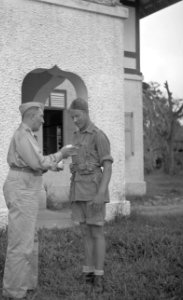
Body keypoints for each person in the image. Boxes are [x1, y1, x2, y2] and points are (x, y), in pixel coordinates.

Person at [2, 101, 76, 299]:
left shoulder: (27, 136)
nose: (44, 120)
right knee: (21, 242)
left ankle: (26, 285)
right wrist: (61, 154)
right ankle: (15, 292)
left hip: (27, 185)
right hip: (22, 186)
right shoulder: (23, 136)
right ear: (31, 116)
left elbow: (38, 163)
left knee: (29, 239)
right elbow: (37, 163)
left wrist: (51, 164)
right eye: (41, 116)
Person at [68, 97, 113, 294]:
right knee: (85, 232)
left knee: (97, 232)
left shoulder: (98, 135)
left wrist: (101, 194)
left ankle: (99, 276)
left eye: (77, 116)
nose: (75, 120)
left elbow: (108, 166)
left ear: (85, 113)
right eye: (72, 117)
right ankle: (88, 272)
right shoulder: (75, 136)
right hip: (78, 189)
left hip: (94, 191)